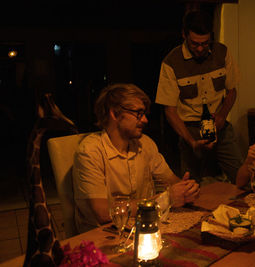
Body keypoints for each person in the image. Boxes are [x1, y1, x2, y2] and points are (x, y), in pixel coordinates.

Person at [73, 83, 200, 233]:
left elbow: (171, 181)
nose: (145, 120)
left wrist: (187, 190)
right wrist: (164, 200)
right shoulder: (90, 151)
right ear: (114, 114)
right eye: (138, 113)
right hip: (101, 237)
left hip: (141, 228)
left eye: (145, 113)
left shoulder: (144, 144)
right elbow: (103, 213)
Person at [155, 10, 243, 184]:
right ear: (184, 35)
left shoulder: (222, 52)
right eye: (195, 44)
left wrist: (222, 116)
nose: (201, 48)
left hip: (219, 126)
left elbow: (232, 91)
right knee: (191, 185)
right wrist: (190, 141)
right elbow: (170, 110)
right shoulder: (171, 62)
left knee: (242, 177)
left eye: (205, 43)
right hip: (190, 129)